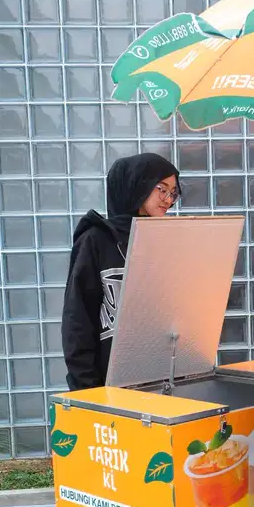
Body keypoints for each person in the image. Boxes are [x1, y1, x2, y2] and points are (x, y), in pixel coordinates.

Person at [61, 152, 180, 391]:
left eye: (174, 193)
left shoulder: (166, 240)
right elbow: (78, 320)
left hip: (163, 384)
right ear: (136, 185)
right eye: (162, 189)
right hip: (109, 388)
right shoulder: (96, 240)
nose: (168, 199)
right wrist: (88, 390)